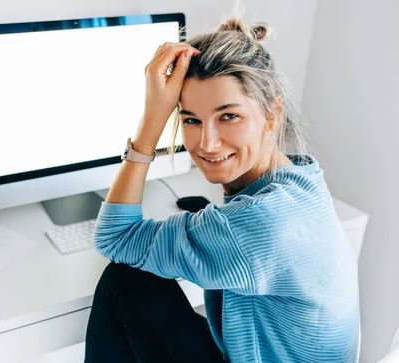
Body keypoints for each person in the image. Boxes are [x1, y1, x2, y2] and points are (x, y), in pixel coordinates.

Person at [83, 17, 360, 363]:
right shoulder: (301, 176)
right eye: (191, 120)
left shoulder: (255, 224)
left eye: (228, 116)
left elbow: (114, 237)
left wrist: (152, 118)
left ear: (271, 114)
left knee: (122, 282)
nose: (208, 144)